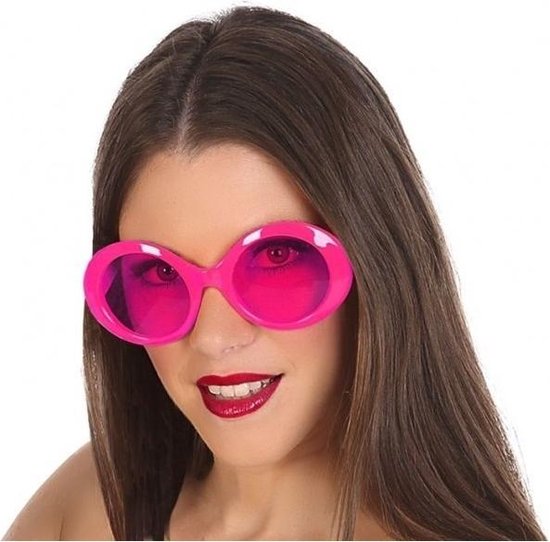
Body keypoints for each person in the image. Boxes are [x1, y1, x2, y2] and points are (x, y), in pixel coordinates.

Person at [3, 4, 546, 541]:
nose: (213, 337)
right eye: (161, 275)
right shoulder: (90, 507)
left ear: (377, 264)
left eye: (275, 259)